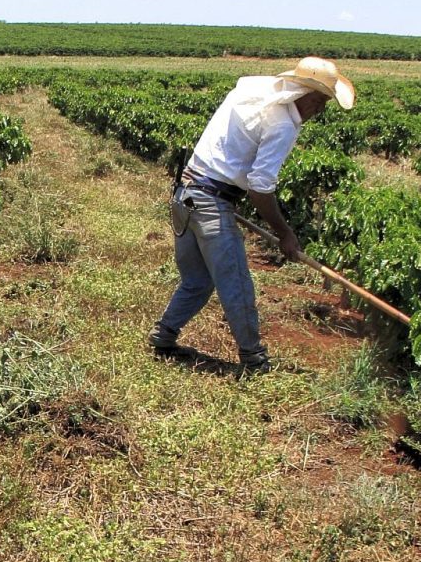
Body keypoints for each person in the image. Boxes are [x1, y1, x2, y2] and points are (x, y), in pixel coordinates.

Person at [148, 56, 356, 375]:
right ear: (303, 95)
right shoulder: (283, 124)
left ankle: (163, 337)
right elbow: (260, 189)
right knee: (237, 284)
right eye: (319, 101)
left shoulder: (251, 92)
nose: (320, 110)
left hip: (185, 194)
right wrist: (285, 233)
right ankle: (253, 358)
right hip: (209, 202)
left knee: (198, 280)